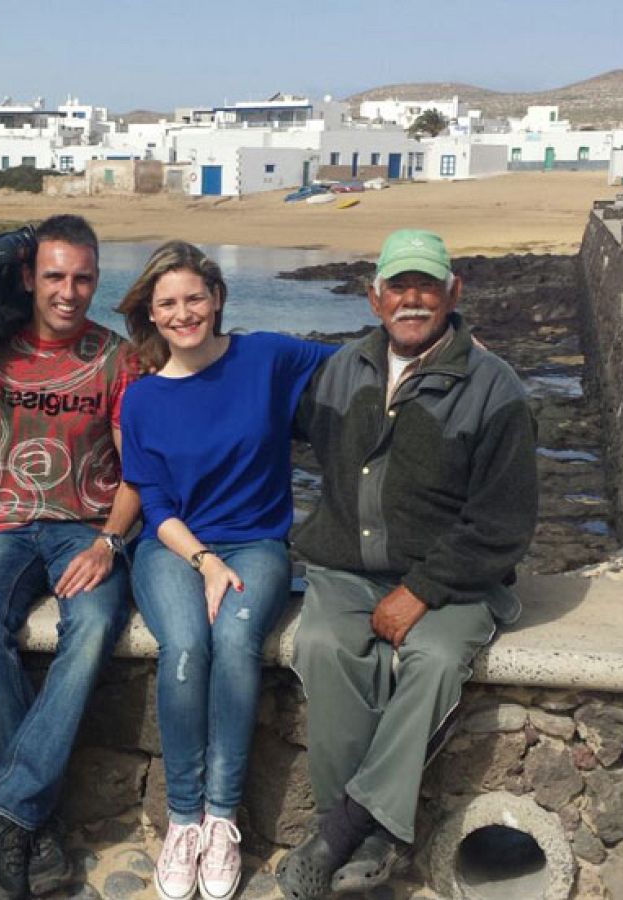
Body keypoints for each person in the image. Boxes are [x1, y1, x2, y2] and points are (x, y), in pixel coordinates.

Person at [277, 229, 538, 899]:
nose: (412, 299)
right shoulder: (340, 370)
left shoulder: (494, 385)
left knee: (435, 661)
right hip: (344, 570)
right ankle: (367, 839)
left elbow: (504, 522)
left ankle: (340, 831)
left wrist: (420, 590)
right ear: (374, 298)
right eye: (399, 286)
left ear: (454, 292)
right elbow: (253, 409)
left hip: (452, 580)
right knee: (323, 645)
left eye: (427, 285)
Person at [0, 214, 139, 900]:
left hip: (86, 528)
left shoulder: (118, 357)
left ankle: (11, 814)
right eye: (55, 276)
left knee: (95, 627)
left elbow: (140, 472)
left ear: (96, 280)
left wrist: (109, 542)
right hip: (6, 527)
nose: (69, 291)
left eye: (82, 278)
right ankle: (33, 816)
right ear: (27, 278)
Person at [116, 241, 336, 900]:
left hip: (258, 544)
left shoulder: (265, 356)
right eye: (168, 304)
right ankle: (183, 820)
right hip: (173, 548)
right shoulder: (142, 400)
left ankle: (222, 819)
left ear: (216, 298)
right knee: (185, 649)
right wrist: (203, 562)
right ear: (150, 316)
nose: (184, 313)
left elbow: (363, 365)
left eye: (194, 297)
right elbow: (153, 507)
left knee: (236, 642)